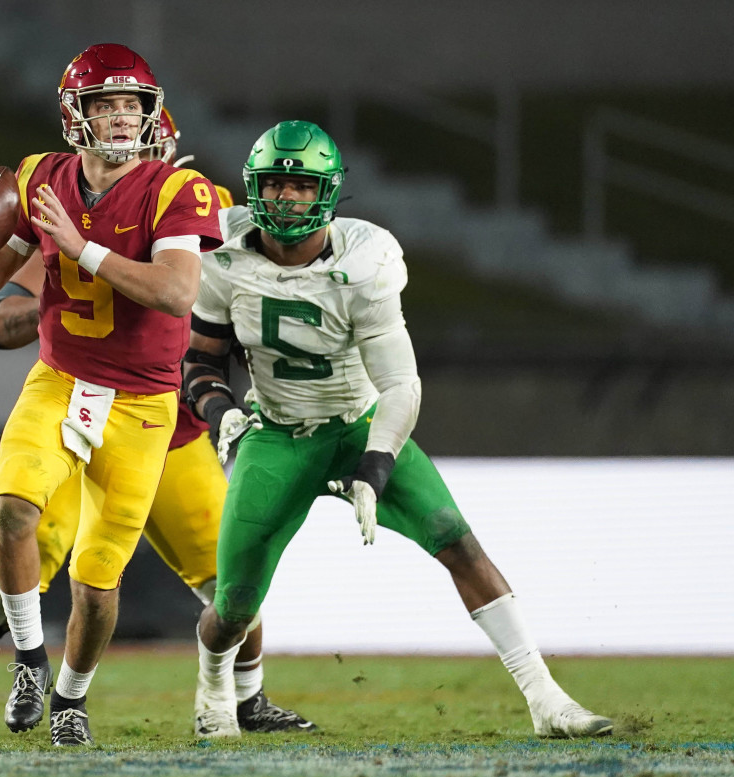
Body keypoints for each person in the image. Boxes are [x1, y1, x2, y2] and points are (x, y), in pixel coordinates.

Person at [0, 112, 312, 742]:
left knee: (234, 580)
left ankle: (249, 699)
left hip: (168, 427)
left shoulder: (205, 211)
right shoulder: (78, 207)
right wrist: (77, 285)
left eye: (151, 145)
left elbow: (244, 308)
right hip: (80, 409)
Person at [184, 120, 613, 740]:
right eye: (275, 184)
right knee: (233, 604)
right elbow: (200, 361)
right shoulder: (220, 256)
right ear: (254, 188)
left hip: (361, 421)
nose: (286, 199)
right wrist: (222, 412)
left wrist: (375, 466)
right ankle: (216, 689)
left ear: (326, 193)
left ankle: (547, 700)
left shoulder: (367, 258)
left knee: (456, 540)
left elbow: (401, 386)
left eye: (301, 186)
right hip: (277, 433)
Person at [0, 43, 223, 747]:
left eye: (133, 103)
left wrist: (79, 247)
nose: (124, 116)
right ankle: (29, 663)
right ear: (77, 114)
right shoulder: (42, 175)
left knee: (97, 584)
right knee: (12, 511)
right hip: (60, 380)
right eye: (107, 103)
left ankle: (71, 698)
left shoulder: (174, 188)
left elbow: (176, 291)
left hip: (142, 402)